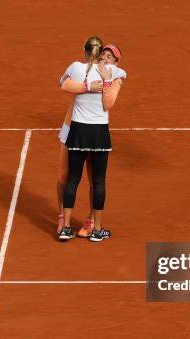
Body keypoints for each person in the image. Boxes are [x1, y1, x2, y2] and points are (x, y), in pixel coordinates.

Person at [57, 38, 126, 242]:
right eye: (104, 53)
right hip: (92, 131)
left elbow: (108, 103)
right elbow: (65, 84)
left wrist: (106, 79)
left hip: (78, 130)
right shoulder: (111, 73)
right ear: (97, 54)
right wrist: (95, 83)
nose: (105, 57)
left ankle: (80, 226)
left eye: (110, 56)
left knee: (78, 179)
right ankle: (90, 228)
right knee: (93, 180)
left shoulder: (106, 73)